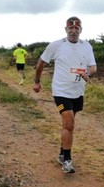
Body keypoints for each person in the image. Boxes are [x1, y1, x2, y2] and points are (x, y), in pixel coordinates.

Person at [33, 16, 97, 174]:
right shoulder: (56, 45)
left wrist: (88, 73)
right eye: (70, 29)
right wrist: (37, 81)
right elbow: (41, 62)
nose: (73, 31)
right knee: (69, 124)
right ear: (66, 30)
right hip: (60, 92)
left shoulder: (86, 46)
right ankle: (67, 160)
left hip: (78, 91)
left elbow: (93, 67)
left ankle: (62, 153)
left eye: (77, 29)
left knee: (69, 124)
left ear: (81, 30)